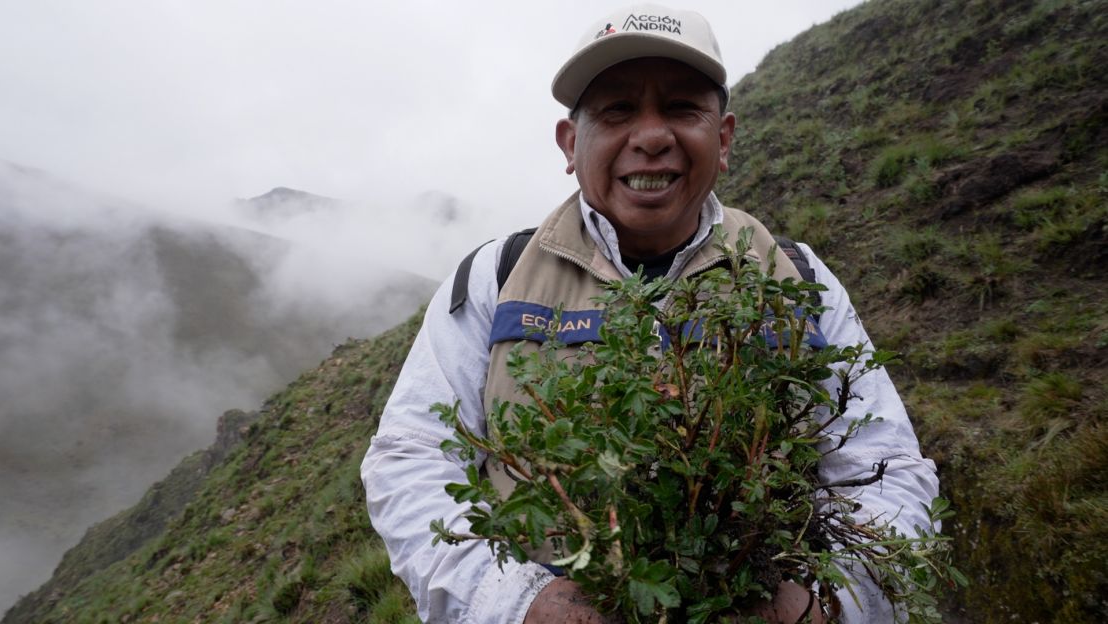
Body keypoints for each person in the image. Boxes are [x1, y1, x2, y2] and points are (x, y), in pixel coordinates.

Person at [361, 4, 939, 623]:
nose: (652, 136)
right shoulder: (494, 278)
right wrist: (516, 603)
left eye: (683, 108)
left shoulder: (796, 277)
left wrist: (832, 603)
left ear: (723, 139)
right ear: (569, 143)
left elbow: (887, 465)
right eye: (616, 111)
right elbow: (410, 456)